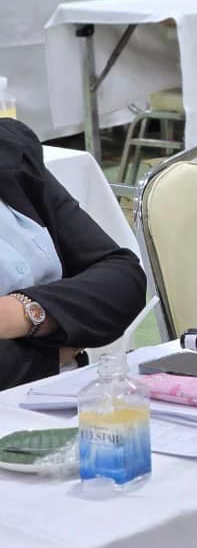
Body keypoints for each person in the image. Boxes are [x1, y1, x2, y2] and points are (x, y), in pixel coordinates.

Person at [0, 118, 146, 391]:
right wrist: (62, 347)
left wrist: (23, 313)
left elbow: (122, 280)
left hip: (66, 391)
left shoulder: (11, 150)